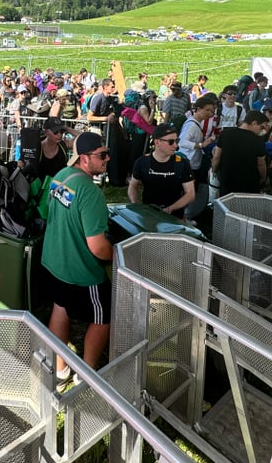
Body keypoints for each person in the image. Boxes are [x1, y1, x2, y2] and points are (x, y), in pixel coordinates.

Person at [42, 132, 114, 378]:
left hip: (53, 261)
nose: (107, 159)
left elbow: (45, 211)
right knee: (104, 315)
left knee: (60, 308)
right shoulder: (92, 194)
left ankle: (60, 372)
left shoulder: (61, 175)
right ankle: (88, 374)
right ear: (84, 158)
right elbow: (99, 248)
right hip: (80, 271)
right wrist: (121, 256)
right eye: (102, 155)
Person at [128, 124, 195, 218]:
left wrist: (170, 209)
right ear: (157, 142)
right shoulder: (142, 162)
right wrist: (136, 205)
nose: (176, 145)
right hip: (148, 215)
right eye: (171, 142)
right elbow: (133, 185)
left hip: (174, 217)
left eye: (177, 141)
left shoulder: (182, 163)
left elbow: (190, 194)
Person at [211, 110, 269, 197]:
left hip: (227, 181)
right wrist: (263, 177)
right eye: (261, 127)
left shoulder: (226, 133)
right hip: (249, 183)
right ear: (254, 123)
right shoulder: (258, 140)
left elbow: (216, 157)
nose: (262, 130)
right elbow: (261, 163)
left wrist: (214, 170)